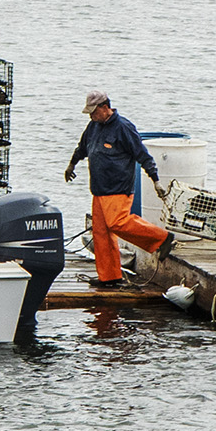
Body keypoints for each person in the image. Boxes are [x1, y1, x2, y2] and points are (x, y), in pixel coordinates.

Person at [65, 90, 171, 286]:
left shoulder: (124, 128)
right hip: (98, 189)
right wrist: (72, 164)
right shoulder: (93, 126)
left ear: (105, 108)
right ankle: (110, 277)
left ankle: (162, 238)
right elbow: (82, 147)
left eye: (93, 111)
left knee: (118, 223)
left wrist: (155, 180)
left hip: (118, 188)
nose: (91, 116)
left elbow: (143, 155)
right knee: (101, 234)